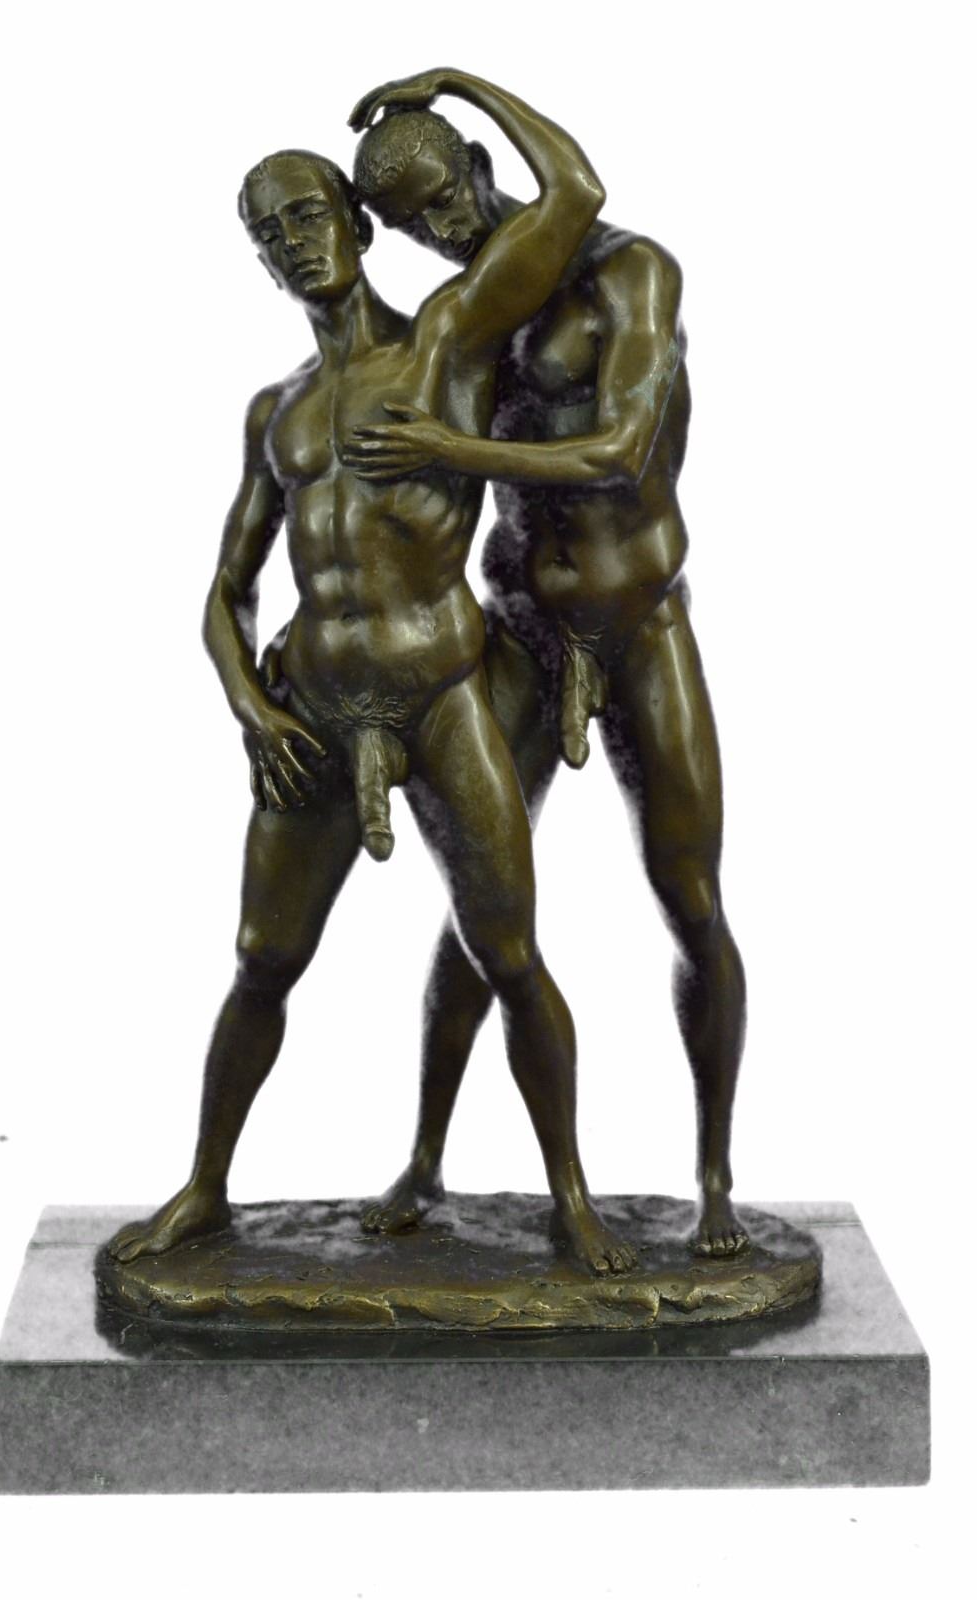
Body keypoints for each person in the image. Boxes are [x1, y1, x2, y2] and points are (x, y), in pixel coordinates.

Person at [109, 69, 635, 1277]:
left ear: (354, 221)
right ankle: (204, 1187)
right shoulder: (277, 412)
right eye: (267, 232)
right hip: (312, 709)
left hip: (439, 694)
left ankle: (571, 1196)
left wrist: (457, 83)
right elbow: (225, 590)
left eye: (307, 214)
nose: (292, 243)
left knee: (510, 954)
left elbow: (576, 194)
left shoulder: (448, 338)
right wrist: (249, 708)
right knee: (262, 960)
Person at [347, 91, 748, 1257]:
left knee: (690, 896)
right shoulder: (470, 308)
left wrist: (455, 73)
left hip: (637, 623)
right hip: (523, 625)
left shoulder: (631, 270)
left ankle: (714, 1174)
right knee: (486, 901)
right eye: (411, 225)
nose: (439, 231)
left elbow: (619, 453)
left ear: (481, 163)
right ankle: (426, 1156)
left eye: (443, 200)